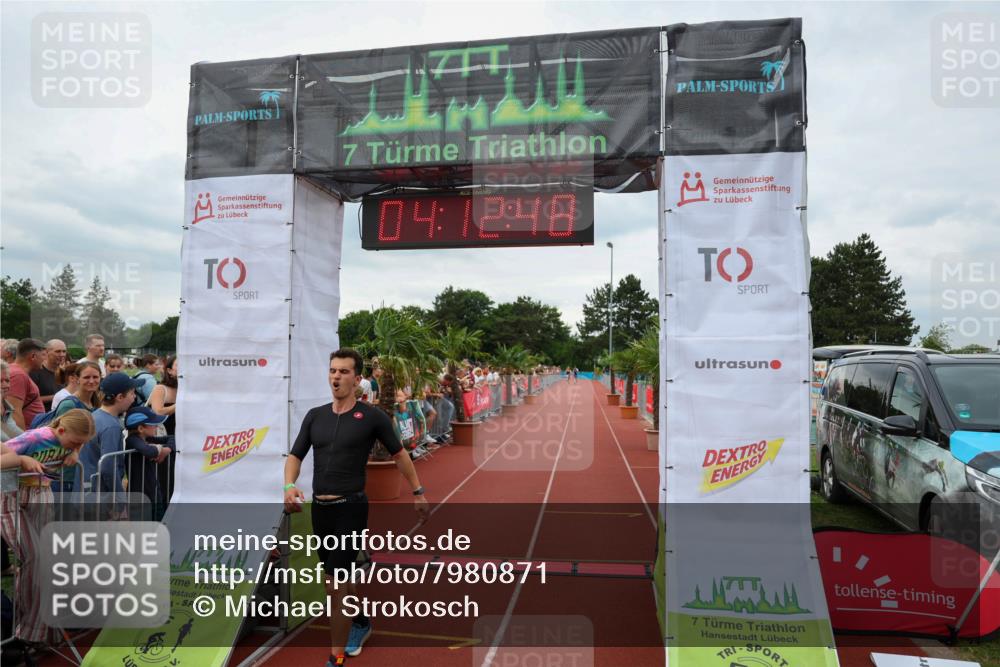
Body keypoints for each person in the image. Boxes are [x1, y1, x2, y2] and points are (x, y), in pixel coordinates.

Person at [283, 349, 427, 666]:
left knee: (335, 584)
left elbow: (399, 454)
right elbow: (295, 456)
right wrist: (289, 485)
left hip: (351, 508)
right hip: (320, 510)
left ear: (357, 378)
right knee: (336, 582)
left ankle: (335, 658)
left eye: (344, 372)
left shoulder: (372, 417)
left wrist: (418, 491)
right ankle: (360, 621)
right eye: (333, 371)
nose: (336, 376)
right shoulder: (315, 416)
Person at [0, 408, 95, 644]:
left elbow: (75, 438)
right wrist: (22, 459)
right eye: (74, 442)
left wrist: (75, 451)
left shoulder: (69, 436)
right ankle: (28, 628)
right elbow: (5, 455)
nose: (75, 445)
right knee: (35, 556)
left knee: (46, 560)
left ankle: (34, 626)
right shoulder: (35, 437)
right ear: (61, 430)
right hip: (10, 495)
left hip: (39, 492)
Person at [79, 372, 143, 508]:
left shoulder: (95, 415)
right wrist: (121, 499)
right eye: (132, 393)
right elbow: (108, 467)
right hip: (99, 496)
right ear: (120, 397)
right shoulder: (111, 426)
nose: (134, 397)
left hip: (85, 490)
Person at [123, 406, 171, 515]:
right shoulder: (132, 440)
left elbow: (172, 438)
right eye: (153, 424)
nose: (156, 427)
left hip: (154, 494)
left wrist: (167, 449)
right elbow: (149, 451)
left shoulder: (148, 439)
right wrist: (159, 448)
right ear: (141, 428)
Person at [149, 356, 178, 504]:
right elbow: (158, 411)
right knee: (163, 483)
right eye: (179, 365)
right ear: (169, 370)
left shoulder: (185, 390)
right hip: (160, 441)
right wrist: (180, 404)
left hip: (177, 443)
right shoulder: (161, 388)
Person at [8, 339, 46, 430]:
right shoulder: (18, 375)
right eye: (43, 355)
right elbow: (14, 412)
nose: (45, 359)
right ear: (33, 356)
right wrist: (23, 440)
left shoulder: (18, 372)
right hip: (26, 437)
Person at [30, 339, 66, 411]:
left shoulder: (65, 373)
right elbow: (29, 400)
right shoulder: (35, 372)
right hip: (43, 417)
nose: (62, 355)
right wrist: (57, 397)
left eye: (64, 351)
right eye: (58, 351)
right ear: (47, 352)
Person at [1, 361, 23, 443]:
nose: (6, 385)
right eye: (0, 381)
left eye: (7, 381)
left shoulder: (7, 408)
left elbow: (18, 435)